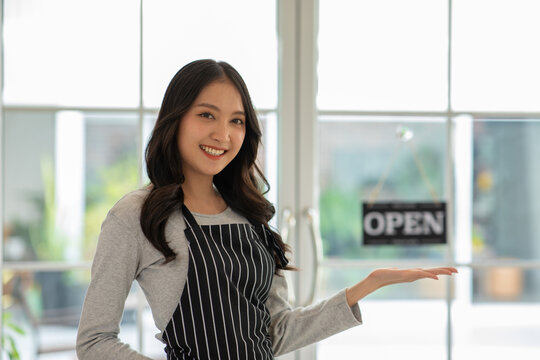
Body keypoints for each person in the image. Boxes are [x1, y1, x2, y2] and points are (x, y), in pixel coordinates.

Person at [76, 59, 457, 360]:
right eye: (206, 115)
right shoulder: (138, 215)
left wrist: (365, 286)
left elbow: (276, 332)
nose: (223, 135)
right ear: (174, 120)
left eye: (236, 121)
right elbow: (94, 341)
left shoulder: (250, 215)